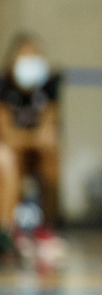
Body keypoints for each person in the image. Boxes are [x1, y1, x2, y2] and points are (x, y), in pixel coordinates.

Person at [0, 33, 64, 256]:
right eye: (25, 55)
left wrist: (37, 138)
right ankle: (10, 231)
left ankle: (46, 228)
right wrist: (33, 138)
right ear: (12, 62)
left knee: (52, 153)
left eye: (35, 55)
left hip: (37, 152)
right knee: (9, 156)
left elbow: (49, 129)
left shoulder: (50, 85)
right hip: (14, 153)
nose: (31, 61)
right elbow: (7, 135)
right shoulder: (4, 86)